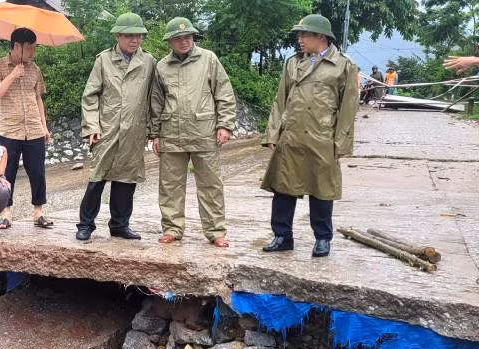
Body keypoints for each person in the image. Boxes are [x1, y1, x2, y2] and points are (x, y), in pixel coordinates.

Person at [260, 14, 359, 257]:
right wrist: (272, 133)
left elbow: (348, 107)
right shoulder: (292, 63)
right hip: (292, 134)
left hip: (322, 136)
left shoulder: (343, 65)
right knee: (283, 188)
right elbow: (279, 99)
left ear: (321, 37)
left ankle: (323, 238)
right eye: (299, 35)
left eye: (304, 35)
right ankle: (282, 236)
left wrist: (341, 142)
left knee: (322, 190)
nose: (300, 39)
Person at [149, 17, 236, 247]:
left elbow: (224, 93)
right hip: (171, 133)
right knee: (169, 185)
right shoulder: (162, 66)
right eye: (178, 38)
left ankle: (216, 231)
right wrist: (155, 134)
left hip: (204, 131)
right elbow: (156, 102)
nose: (184, 41)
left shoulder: (208, 59)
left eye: (188, 36)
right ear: (170, 41)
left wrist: (225, 125)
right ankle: (172, 228)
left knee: (211, 184)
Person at [76, 12, 157, 241]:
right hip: (106, 129)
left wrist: (154, 129)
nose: (135, 40)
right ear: (118, 37)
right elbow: (90, 96)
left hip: (134, 130)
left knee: (126, 180)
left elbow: (154, 98)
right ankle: (85, 225)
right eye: (130, 36)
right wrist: (92, 127)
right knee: (97, 178)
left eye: (139, 36)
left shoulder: (149, 62)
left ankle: (120, 225)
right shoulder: (103, 60)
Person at [0, 27, 53, 230]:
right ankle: (6, 214)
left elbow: (38, 98)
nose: (33, 52)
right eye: (30, 48)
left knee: (38, 172)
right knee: (8, 173)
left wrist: (44, 126)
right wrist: (13, 75)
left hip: (33, 129)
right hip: (9, 130)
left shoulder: (35, 69)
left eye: (34, 47)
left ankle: (38, 212)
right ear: (17, 46)